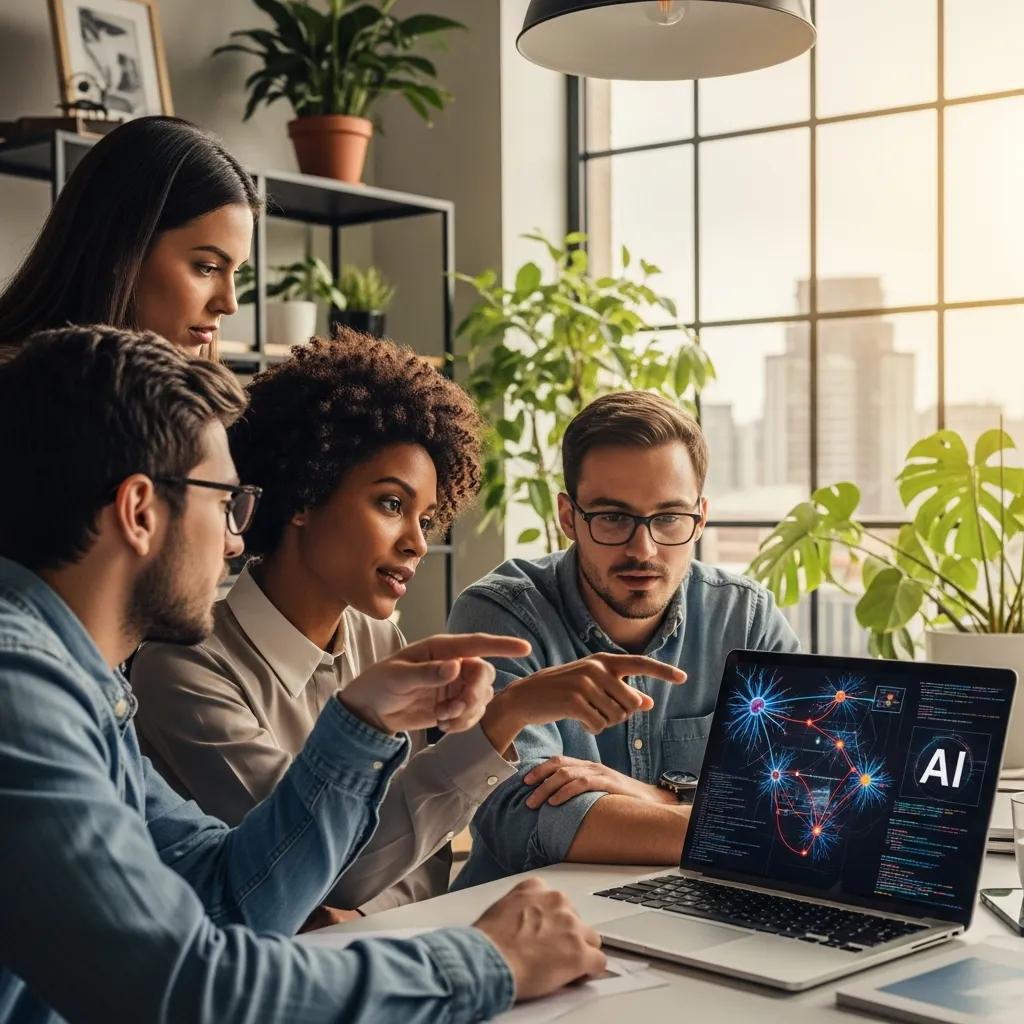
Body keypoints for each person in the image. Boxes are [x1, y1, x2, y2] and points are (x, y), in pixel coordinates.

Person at [0, 325, 606, 1024]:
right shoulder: (21, 692)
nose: (235, 538)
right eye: (225, 503)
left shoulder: (79, 689)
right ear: (140, 510)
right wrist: (485, 962)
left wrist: (361, 725)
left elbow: (228, 892)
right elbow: (183, 987)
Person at [131, 330, 684, 919]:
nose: (418, 542)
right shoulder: (186, 670)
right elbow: (312, 867)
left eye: (426, 515)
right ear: (303, 492)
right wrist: (504, 716)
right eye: (392, 505)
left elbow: (420, 864)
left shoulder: (377, 639)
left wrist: (361, 918)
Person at [448, 390, 801, 888]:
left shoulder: (745, 618)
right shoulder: (501, 616)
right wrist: (734, 821)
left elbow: (811, 801)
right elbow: (524, 822)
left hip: (706, 911)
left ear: (699, 518)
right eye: (613, 517)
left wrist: (655, 797)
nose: (644, 548)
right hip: (530, 923)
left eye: (669, 518)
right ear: (568, 517)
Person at [0, 116, 256, 357]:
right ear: (120, 251)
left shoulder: (193, 395)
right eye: (207, 268)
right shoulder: (20, 392)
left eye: (236, 272)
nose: (229, 304)